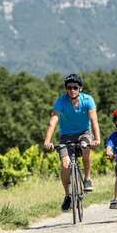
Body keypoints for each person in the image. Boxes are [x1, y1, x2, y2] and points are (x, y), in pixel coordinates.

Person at [43, 73, 101, 211]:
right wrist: (47, 141)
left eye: (75, 87)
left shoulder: (88, 100)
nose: (72, 90)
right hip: (66, 136)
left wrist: (97, 139)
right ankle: (68, 195)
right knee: (65, 164)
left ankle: (87, 178)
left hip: (84, 133)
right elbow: (53, 121)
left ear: (80, 88)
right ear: (66, 89)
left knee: (85, 148)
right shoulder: (61, 101)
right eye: (69, 87)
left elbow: (94, 120)